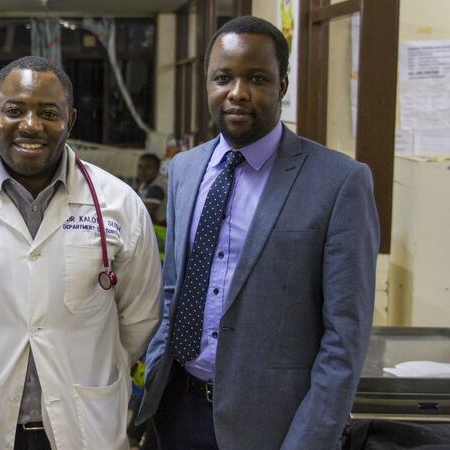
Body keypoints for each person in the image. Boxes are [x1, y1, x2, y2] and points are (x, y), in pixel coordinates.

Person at [138, 16, 379, 450]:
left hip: (273, 428)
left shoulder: (340, 182)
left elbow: (344, 338)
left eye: (257, 78)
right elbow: (174, 290)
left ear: (282, 85)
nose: (237, 93)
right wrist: (156, 379)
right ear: (207, 83)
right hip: (176, 411)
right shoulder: (186, 170)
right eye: (223, 78)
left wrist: (308, 441)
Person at [0, 56, 162, 450]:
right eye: (15, 111)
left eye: (49, 113)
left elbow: (140, 317)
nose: (31, 125)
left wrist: (90, 360)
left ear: (71, 120)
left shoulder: (119, 205)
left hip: (82, 423)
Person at [133, 153, 166, 225]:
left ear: (157, 169)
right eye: (140, 167)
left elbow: (143, 215)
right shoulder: (145, 183)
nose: (142, 171)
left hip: (160, 230)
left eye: (147, 167)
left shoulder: (157, 188)